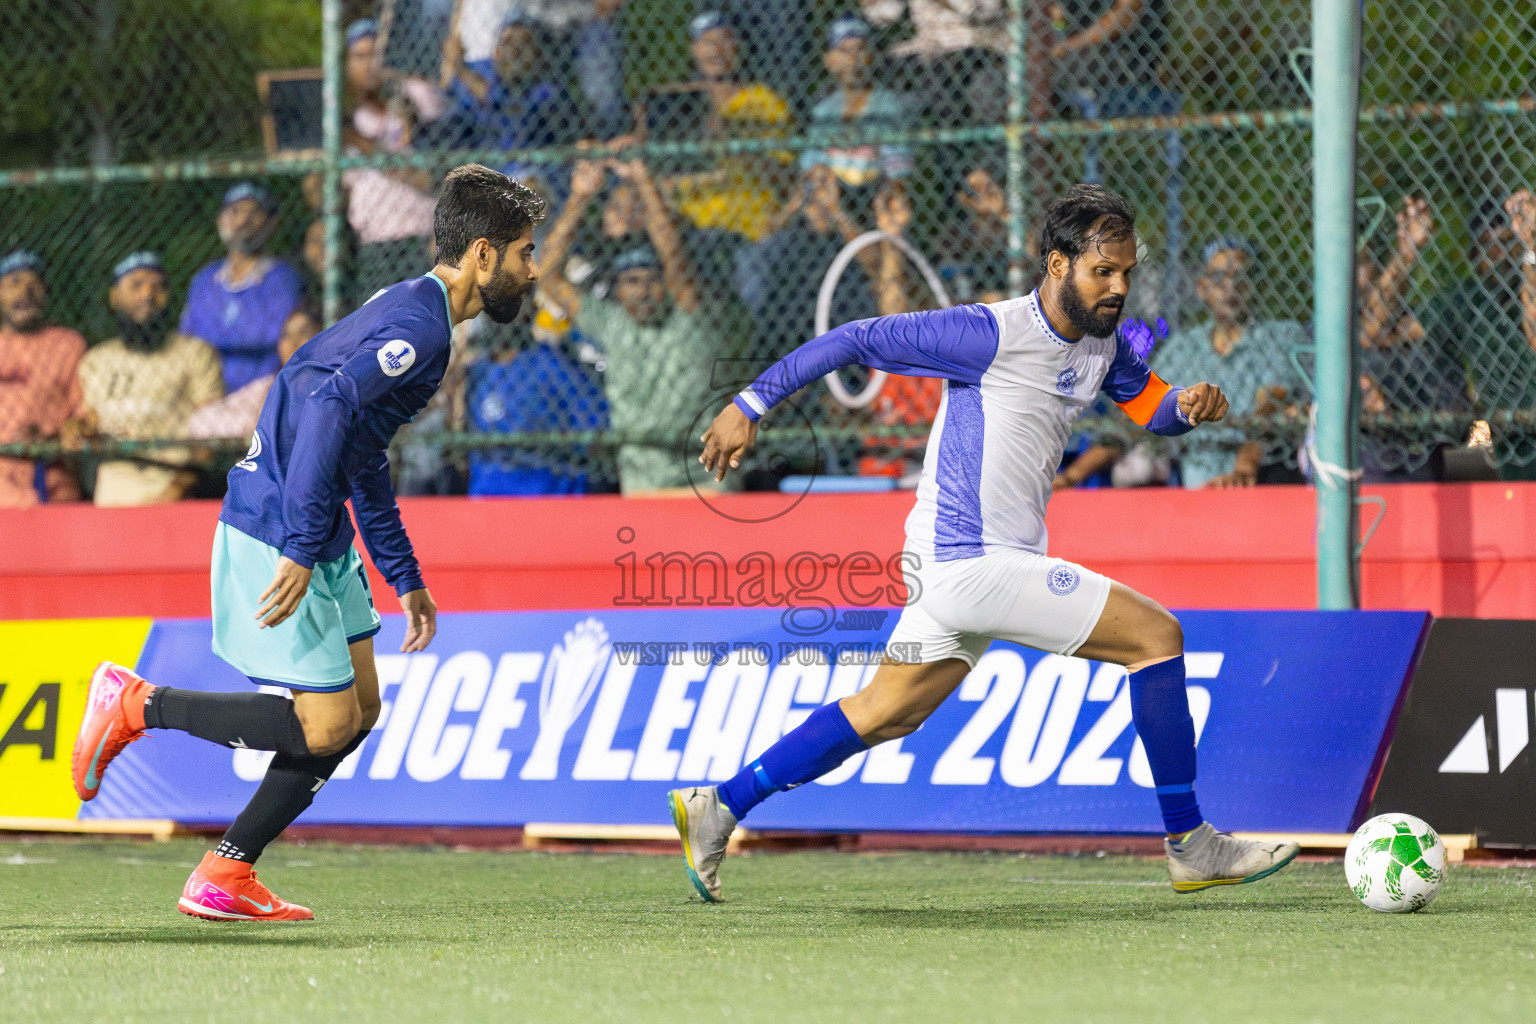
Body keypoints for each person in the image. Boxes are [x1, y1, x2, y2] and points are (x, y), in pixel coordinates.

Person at [668, 184, 1299, 901]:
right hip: (971, 563)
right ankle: (1191, 843)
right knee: (1157, 636)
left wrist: (1188, 406)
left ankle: (718, 806)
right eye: (1104, 272)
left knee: (886, 711)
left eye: (1127, 271)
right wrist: (748, 404)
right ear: (1058, 264)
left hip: (965, 566)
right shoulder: (988, 332)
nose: (1120, 286)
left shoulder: (1105, 338)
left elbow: (1151, 406)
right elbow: (854, 339)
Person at [70, 166, 546, 922]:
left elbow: (360, 448)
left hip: (315, 523)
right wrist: (297, 542)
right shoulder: (421, 328)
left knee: (360, 709)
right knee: (325, 724)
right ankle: (136, 702)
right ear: (483, 256)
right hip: (282, 521)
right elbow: (324, 403)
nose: (532, 268)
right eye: (525, 251)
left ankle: (224, 875)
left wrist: (402, 572)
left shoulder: (416, 312)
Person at [540, 158, 746, 494]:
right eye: (631, 281)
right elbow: (548, 277)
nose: (642, 290)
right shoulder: (612, 322)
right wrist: (579, 198)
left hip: (705, 482)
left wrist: (643, 180)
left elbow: (674, 256)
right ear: (618, 290)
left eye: (652, 280)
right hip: (641, 483)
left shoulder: (689, 316)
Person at [1150, 236, 1308, 488]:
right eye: (1218, 277)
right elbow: (1141, 406)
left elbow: (1272, 402)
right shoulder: (1184, 347)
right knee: (1135, 465)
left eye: (1241, 276)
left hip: (1262, 474)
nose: (1230, 286)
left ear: (1258, 286)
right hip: (1195, 479)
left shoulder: (1280, 336)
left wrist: (1245, 465)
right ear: (1202, 287)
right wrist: (1071, 477)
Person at [74, 253, 225, 506]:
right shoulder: (97, 360)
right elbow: (87, 423)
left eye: (158, 287)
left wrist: (176, 490)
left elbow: (211, 437)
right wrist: (77, 429)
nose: (148, 295)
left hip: (174, 491)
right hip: (111, 495)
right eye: (136, 285)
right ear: (115, 296)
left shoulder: (196, 353)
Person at [1417, 191, 1536, 476]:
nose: (1500, 254)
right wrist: (1407, 253)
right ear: (1474, 254)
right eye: (1488, 245)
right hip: (1506, 435)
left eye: (1508, 242)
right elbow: (1389, 330)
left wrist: (1532, 247)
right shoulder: (1469, 300)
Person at [343, 18, 449, 307]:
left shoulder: (419, 95)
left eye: (376, 53)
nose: (370, 64)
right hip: (374, 246)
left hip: (423, 240)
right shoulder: (348, 119)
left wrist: (361, 144)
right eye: (359, 56)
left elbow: (428, 178)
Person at [662, 11, 793, 242]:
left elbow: (783, 175)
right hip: (690, 226)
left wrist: (737, 142)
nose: (716, 50)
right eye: (707, 42)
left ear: (737, 47)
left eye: (724, 40)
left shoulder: (765, 101)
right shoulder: (677, 103)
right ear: (694, 50)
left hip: (749, 226)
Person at [179, 182, 305, 393]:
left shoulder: (283, 279)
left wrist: (211, 341)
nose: (243, 220)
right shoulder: (204, 280)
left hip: (262, 392)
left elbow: (271, 336)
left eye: (255, 213)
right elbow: (186, 340)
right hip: (204, 391)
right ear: (220, 220)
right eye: (235, 211)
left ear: (272, 224)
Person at [442, 10, 586, 173]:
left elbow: (505, 108)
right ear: (496, 53)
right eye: (508, 42)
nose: (516, 51)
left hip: (530, 173)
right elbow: (447, 95)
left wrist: (459, 66)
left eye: (525, 43)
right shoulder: (479, 71)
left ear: (538, 55)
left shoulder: (548, 90)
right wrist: (452, 59)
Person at [0, 250, 86, 507]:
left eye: (34, 283)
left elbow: (82, 413)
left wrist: (57, 435)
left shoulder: (68, 344)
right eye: (13, 283)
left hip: (52, 473)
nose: (25, 291)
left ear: (45, 294)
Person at [800, 16, 913, 196]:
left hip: (877, 190)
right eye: (843, 50)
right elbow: (809, 163)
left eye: (860, 49)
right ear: (829, 60)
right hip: (832, 190)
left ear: (871, 56)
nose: (853, 60)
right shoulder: (823, 110)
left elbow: (899, 167)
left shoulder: (890, 105)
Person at [188, 303, 320, 441]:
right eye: (286, 335)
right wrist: (252, 426)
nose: (293, 343)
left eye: (304, 333)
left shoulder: (330, 384)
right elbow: (201, 420)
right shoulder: (267, 385)